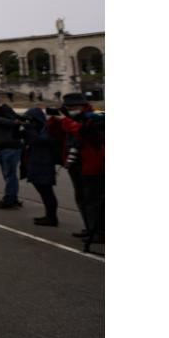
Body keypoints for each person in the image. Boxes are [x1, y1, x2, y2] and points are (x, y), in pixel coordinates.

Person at [47, 94, 104, 243]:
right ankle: (89, 228)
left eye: (74, 107)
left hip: (93, 165)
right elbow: (53, 132)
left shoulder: (96, 117)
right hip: (74, 163)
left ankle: (100, 232)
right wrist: (55, 118)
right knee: (81, 198)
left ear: (83, 105)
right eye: (69, 107)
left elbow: (87, 134)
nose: (72, 109)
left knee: (94, 200)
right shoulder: (68, 118)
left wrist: (66, 120)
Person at [19, 107, 59, 227]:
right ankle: (49, 216)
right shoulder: (34, 129)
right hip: (34, 164)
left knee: (47, 193)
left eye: (31, 119)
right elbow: (16, 136)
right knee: (44, 193)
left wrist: (29, 128)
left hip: (44, 165)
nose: (29, 122)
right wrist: (18, 126)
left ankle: (52, 218)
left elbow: (40, 141)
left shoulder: (46, 129)